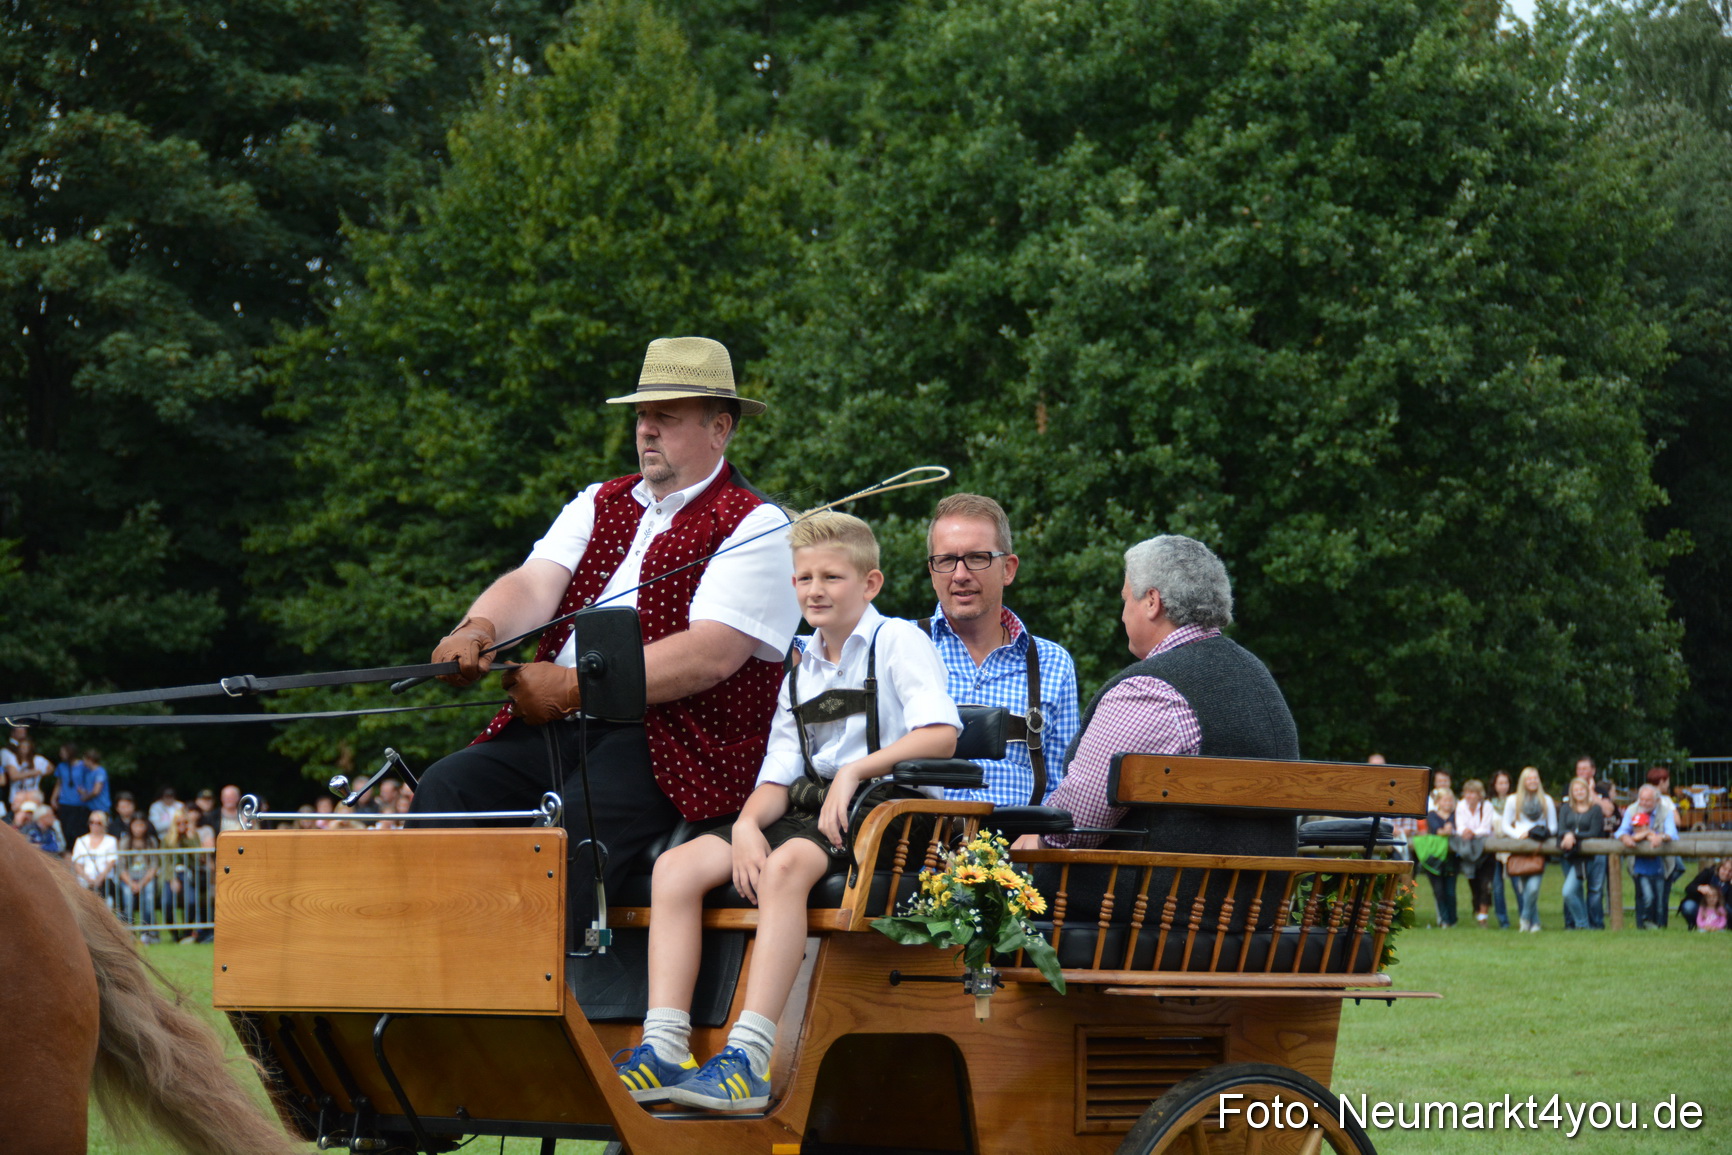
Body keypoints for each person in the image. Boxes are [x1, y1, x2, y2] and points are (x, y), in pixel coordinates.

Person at [411, 337, 802, 933]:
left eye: (666, 417)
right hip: (558, 723)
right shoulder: (599, 501)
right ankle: (426, 966)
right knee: (448, 788)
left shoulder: (757, 524)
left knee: (570, 826)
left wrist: (574, 686)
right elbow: (536, 582)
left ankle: (538, 990)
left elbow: (711, 654)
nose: (646, 429)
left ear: (719, 427)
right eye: (642, 415)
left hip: (673, 742)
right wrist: (480, 627)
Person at [615, 511, 960, 1111]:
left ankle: (749, 1057)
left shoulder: (897, 640)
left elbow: (941, 734)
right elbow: (779, 773)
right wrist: (748, 825)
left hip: (885, 808)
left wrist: (854, 771)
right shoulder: (798, 664)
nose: (814, 590)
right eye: (803, 579)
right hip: (808, 806)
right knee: (675, 867)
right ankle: (666, 1044)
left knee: (783, 869)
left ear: (870, 583)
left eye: (831, 576)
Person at [1040, 534, 1299, 853]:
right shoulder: (1259, 678)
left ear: (1152, 601)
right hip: (1259, 900)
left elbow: (1074, 826)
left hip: (1153, 900)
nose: (1123, 615)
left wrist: (1033, 839)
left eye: (1126, 600)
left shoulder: (1150, 691)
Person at [919, 493, 1080, 807]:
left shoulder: (1051, 663)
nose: (960, 574)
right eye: (947, 560)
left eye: (977, 558)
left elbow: (1064, 786)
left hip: (1015, 846)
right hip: (915, 847)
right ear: (932, 570)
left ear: (1008, 568)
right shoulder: (900, 644)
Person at [1616, 784, 1678, 930]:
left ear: (1657, 801)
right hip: (1639, 865)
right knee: (1642, 895)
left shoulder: (1666, 812)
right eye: (1641, 799)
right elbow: (1620, 831)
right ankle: (1641, 926)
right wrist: (1625, 837)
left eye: (1647, 800)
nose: (1643, 803)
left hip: (1662, 864)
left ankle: (1661, 926)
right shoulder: (1632, 810)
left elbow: (1673, 833)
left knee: (1661, 897)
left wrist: (1661, 837)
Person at [1502, 766, 1555, 932]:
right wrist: (1520, 835)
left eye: (1535, 778)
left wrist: (1535, 834)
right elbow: (1505, 825)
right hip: (1520, 847)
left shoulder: (1546, 800)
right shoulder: (1513, 800)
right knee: (1524, 889)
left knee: (1532, 888)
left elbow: (1553, 827)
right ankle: (1536, 923)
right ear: (1523, 781)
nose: (1533, 781)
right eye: (1529, 778)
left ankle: (1524, 918)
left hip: (1539, 847)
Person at [1572, 755, 1615, 929]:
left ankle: (1597, 924)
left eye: (1584, 769)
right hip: (1575, 848)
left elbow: (1608, 811)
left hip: (1599, 846)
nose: (1581, 772)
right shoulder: (1570, 788)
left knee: (1596, 889)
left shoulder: (1601, 791)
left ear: (1593, 771)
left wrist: (1590, 793)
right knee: (1573, 888)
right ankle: (1574, 923)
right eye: (1578, 769)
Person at [1556, 776, 1601, 931]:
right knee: (1576, 891)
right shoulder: (1565, 808)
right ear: (1572, 792)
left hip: (1584, 857)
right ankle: (1584, 926)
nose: (1579, 792)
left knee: (1567, 891)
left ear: (1587, 791)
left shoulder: (1595, 809)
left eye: (1582, 789)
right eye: (1576, 790)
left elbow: (1594, 832)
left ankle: (1582, 924)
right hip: (1567, 855)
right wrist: (1567, 834)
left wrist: (1573, 836)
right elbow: (1561, 829)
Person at [1644, 765, 1685, 925]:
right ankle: (1660, 922)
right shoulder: (1665, 800)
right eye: (1667, 781)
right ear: (1662, 781)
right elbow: (1677, 821)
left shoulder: (1642, 797)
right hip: (1663, 847)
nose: (1668, 784)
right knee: (1676, 869)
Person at [1453, 778, 1496, 925]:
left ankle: (1483, 916)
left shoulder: (1487, 806)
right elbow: (1459, 826)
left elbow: (1486, 828)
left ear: (1479, 794)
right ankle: (1477, 910)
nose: (1470, 796)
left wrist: (1472, 832)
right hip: (1468, 850)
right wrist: (1465, 831)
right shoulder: (1460, 806)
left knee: (1486, 883)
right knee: (1473, 883)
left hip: (1485, 849)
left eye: (1473, 793)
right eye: (1467, 793)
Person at [117, 814, 161, 944]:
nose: (138, 828)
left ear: (146, 826)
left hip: (146, 878)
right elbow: (121, 867)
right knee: (128, 899)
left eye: (141, 825)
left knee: (148, 898)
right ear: (130, 826)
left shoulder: (151, 841)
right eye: (135, 825)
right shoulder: (124, 842)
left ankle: (146, 933)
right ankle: (129, 933)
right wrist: (131, 883)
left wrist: (141, 884)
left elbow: (154, 866)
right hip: (129, 878)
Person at [1422, 787, 1460, 927]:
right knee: (1439, 891)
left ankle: (1453, 920)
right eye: (1445, 800)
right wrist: (1446, 830)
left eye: (1451, 800)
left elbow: (1458, 829)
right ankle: (1444, 920)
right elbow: (1437, 830)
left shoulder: (1456, 815)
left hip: (1451, 859)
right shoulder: (1432, 815)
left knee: (1450, 891)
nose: (1448, 803)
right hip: (1435, 858)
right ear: (1438, 801)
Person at [71, 810, 120, 904]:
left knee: (107, 904)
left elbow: (111, 862)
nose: (94, 825)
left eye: (98, 823)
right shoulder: (81, 840)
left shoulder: (111, 840)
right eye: (91, 822)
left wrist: (99, 879)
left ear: (104, 824)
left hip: (105, 882)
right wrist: (87, 879)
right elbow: (77, 864)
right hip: (84, 881)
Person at [1487, 769, 1516, 928]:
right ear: (1494, 785)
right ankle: (1503, 921)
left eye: (1506, 783)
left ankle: (1526, 918)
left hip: (1513, 848)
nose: (1503, 786)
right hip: (1494, 850)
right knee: (1497, 887)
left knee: (1518, 885)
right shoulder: (1488, 804)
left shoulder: (1516, 801)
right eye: (1500, 783)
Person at [1679, 859, 1731, 930]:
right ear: (1719, 867)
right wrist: (1700, 888)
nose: (1726, 873)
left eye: (1730, 871)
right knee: (1689, 906)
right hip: (1702, 907)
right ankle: (1695, 924)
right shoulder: (1708, 873)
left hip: (1720, 909)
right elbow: (1688, 888)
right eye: (1724, 869)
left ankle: (1723, 926)